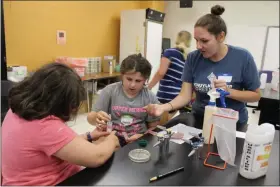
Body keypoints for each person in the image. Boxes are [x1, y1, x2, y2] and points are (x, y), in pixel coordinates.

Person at [2, 63, 120, 186]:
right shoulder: (45, 126)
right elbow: (97, 156)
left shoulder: (18, 111)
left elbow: (55, 145)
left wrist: (89, 136)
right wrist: (112, 139)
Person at [145, 5, 261, 130]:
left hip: (232, 124)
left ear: (221, 37)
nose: (198, 46)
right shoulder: (193, 58)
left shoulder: (242, 57)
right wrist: (164, 107)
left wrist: (229, 91)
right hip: (199, 120)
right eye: (196, 40)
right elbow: (185, 95)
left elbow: (255, 95)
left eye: (204, 41)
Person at [87, 54, 161, 144]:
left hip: (138, 139)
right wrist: (96, 117)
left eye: (138, 81)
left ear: (145, 80)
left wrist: (143, 136)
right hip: (112, 137)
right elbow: (90, 118)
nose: (132, 85)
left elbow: (154, 127)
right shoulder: (110, 91)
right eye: (129, 79)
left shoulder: (149, 97)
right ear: (122, 75)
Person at [148, 31, 193, 119]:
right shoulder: (187, 57)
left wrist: (149, 87)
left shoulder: (170, 52)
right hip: (178, 97)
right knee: (169, 125)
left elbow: (161, 72)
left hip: (166, 94)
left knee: (161, 125)